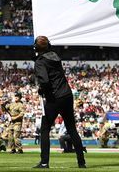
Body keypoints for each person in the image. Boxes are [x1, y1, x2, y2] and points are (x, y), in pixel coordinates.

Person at [32, 36, 86, 169]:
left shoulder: (40, 61)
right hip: (67, 94)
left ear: (36, 48)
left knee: (45, 129)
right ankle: (81, 162)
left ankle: (44, 162)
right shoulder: (55, 56)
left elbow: (44, 81)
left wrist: (42, 90)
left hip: (54, 97)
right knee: (72, 129)